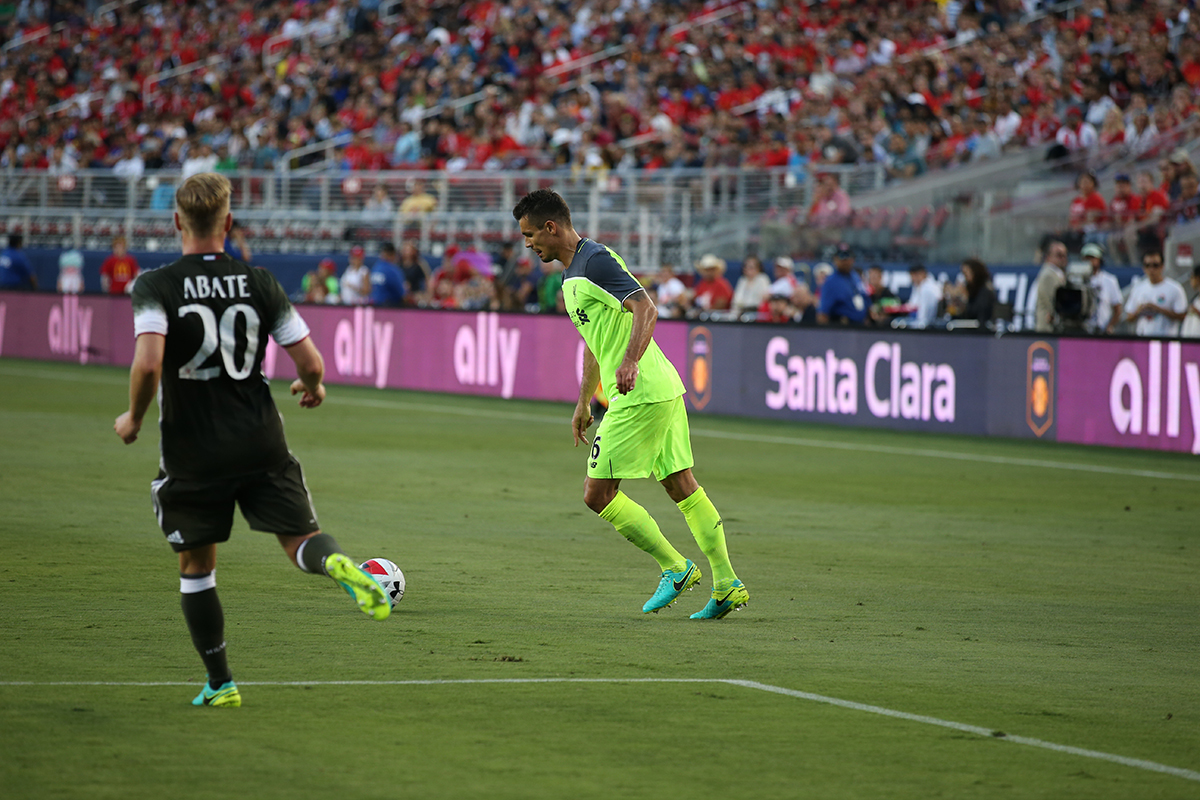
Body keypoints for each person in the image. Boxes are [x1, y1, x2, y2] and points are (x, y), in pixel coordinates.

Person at [113, 172, 389, 709]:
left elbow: (148, 363)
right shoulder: (259, 281)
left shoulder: (156, 285)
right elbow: (310, 362)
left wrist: (133, 418)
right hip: (261, 439)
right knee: (301, 540)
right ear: (229, 223)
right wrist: (312, 389)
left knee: (197, 567)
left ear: (176, 222)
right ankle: (332, 563)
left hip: (194, 450)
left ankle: (221, 683)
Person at [512, 189, 748, 619]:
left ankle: (675, 568)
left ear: (551, 227)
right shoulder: (570, 276)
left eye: (530, 235)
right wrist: (583, 401)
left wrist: (631, 361)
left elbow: (646, 308)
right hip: (660, 390)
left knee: (597, 494)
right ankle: (727, 582)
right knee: (681, 486)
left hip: (639, 393)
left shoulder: (595, 261)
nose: (528, 244)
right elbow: (592, 342)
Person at [1124, 250, 1187, 337]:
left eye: (1155, 265)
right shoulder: (1138, 288)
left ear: (1162, 267)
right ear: (1144, 268)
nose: (1151, 269)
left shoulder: (1175, 288)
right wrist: (1139, 311)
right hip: (1143, 338)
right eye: (1148, 265)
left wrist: (1158, 309)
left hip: (1166, 339)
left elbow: (1182, 316)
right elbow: (1129, 317)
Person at [816, 244, 867, 325]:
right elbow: (823, 314)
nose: (845, 262)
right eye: (842, 258)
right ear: (835, 260)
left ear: (853, 259)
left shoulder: (855, 277)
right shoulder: (830, 282)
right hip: (842, 328)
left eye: (847, 258)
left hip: (860, 326)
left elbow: (863, 297)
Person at [1081, 243, 1123, 334]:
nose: (1089, 261)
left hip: (1103, 330)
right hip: (1082, 331)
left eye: (1092, 258)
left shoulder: (1110, 280)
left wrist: (1110, 326)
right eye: (1086, 258)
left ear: (1099, 259)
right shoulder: (1076, 279)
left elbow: (1117, 309)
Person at [1033, 239, 1069, 332]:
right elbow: (1051, 301)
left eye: (1065, 255)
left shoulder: (1059, 273)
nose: (1063, 258)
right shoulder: (1049, 275)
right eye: (1059, 255)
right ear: (1048, 257)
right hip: (1048, 328)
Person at [949, 257, 995, 325]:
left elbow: (979, 316)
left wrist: (965, 300)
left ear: (975, 272)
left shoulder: (985, 292)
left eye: (966, 274)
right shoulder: (969, 289)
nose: (964, 278)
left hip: (979, 331)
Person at [368, 242, 406, 307]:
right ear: (393, 254)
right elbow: (401, 294)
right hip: (388, 308)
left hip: (374, 306)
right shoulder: (392, 270)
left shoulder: (376, 267)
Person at [905, 263, 942, 328]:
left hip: (926, 325)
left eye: (913, 276)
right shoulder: (917, 286)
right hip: (915, 321)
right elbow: (912, 305)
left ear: (921, 274)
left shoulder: (929, 288)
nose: (912, 279)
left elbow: (924, 316)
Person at [398, 240, 431, 305]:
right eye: (405, 249)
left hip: (415, 294)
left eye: (408, 250)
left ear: (413, 251)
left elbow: (428, 280)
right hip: (401, 294)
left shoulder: (419, 265)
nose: (406, 252)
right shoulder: (397, 265)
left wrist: (426, 295)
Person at [1182, 265, 1200, 338]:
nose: (1190, 280)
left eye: (1192, 277)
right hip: (1189, 343)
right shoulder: (1195, 299)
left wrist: (1197, 312)